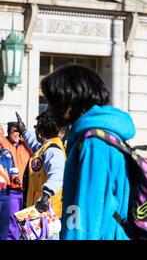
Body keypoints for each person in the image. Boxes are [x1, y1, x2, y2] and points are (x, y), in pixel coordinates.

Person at [41, 64, 136, 240]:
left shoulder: (93, 144)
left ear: (69, 101)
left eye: (52, 101)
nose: (48, 109)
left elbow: (86, 213)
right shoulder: (96, 137)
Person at [16, 111, 66, 240]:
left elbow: (57, 174)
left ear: (41, 131)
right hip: (36, 215)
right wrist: (23, 131)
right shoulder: (45, 148)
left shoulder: (53, 150)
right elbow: (34, 144)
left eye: (36, 127)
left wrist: (46, 195)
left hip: (46, 217)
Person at [3, 121, 32, 240]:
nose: (17, 134)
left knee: (25, 221)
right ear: (9, 132)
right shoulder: (3, 144)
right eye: (14, 131)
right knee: (12, 221)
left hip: (26, 190)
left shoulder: (25, 144)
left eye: (19, 131)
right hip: (11, 191)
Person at [0, 127, 15, 240]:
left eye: (1, 135)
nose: (0, 138)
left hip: (6, 195)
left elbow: (13, 170)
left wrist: (15, 178)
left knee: (4, 229)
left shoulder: (7, 153)